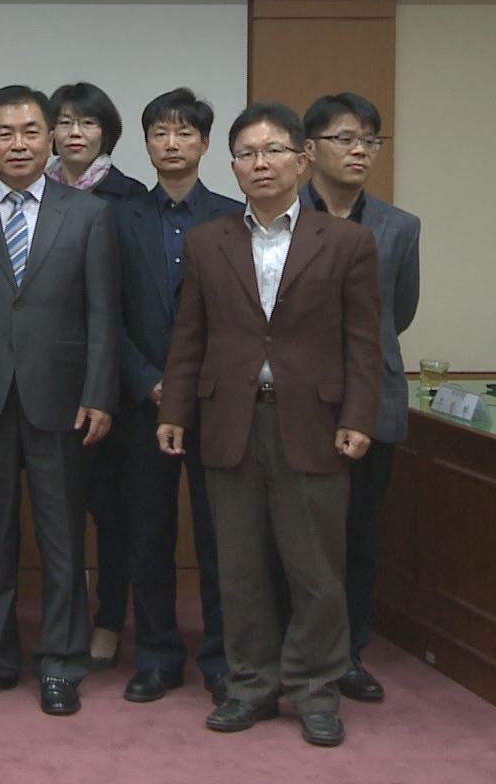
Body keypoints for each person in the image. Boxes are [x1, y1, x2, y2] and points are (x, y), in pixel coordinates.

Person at [158, 102, 382, 749]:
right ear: (232, 165)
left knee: (315, 569)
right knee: (240, 568)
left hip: (314, 425)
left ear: (302, 160)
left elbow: (364, 341)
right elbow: (189, 335)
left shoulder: (347, 242)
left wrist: (358, 416)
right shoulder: (209, 240)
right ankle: (250, 684)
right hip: (228, 422)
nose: (261, 163)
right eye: (248, 153)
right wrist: (175, 410)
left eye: (274, 151)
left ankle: (316, 689)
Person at [0, 84, 118, 717]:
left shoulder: (89, 214)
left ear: (51, 139)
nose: (18, 145)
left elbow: (104, 314)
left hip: (62, 399)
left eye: (30, 132)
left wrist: (100, 392)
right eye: (5, 135)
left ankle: (61, 663)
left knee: (62, 538)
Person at [112, 88, 241, 707]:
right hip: (143, 401)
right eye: (160, 133)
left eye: (184, 133)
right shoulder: (120, 217)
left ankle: (221, 657)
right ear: (146, 143)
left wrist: (191, 384)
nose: (171, 143)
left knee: (221, 536)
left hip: (216, 403)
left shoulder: (233, 217)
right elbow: (104, 315)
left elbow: (246, 320)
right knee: (148, 534)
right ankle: (158, 655)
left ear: (206, 144)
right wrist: (148, 380)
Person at [301, 92, 420, 704]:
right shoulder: (279, 213)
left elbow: (397, 314)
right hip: (297, 400)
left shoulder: (399, 227)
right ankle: (295, 649)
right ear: (310, 148)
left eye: (370, 141)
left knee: (359, 535)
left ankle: (348, 652)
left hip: (371, 399)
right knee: (298, 535)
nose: (359, 151)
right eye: (346, 138)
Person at [47, 80, 146, 670]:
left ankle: (110, 616)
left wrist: (111, 381)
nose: (75, 132)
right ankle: (63, 617)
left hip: (108, 382)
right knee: (56, 509)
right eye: (64, 121)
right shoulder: (30, 191)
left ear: (106, 131)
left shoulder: (130, 198)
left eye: (87, 122)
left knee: (110, 509)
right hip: (44, 381)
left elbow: (127, 302)